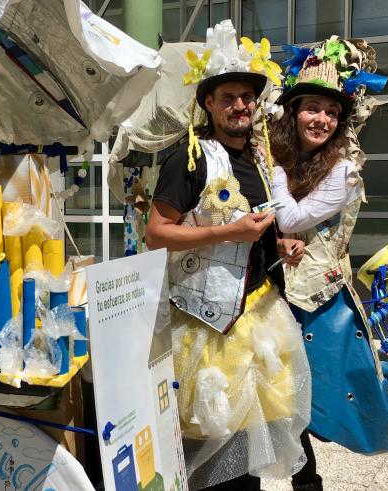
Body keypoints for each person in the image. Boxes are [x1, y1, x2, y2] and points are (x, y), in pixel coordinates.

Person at [146, 21, 311, 491]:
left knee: (248, 451)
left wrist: (279, 244)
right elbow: (156, 233)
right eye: (229, 98)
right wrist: (228, 231)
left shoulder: (260, 158)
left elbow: (257, 228)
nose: (240, 106)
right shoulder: (189, 159)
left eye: (247, 97)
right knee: (210, 447)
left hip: (259, 317)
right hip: (206, 327)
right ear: (209, 104)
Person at [266, 36, 388, 490]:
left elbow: (291, 215)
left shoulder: (344, 172)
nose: (321, 119)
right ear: (293, 112)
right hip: (273, 299)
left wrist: (271, 167)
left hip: (318, 303)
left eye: (331, 112)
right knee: (283, 401)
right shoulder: (291, 160)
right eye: (312, 107)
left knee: (324, 398)